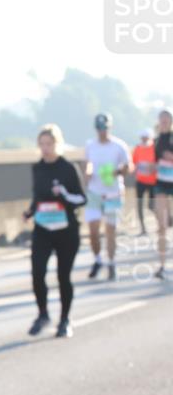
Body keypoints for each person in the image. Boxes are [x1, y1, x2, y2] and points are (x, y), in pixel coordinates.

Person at [23, 125, 85, 338]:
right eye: (42, 144)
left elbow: (81, 198)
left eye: (49, 144)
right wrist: (30, 212)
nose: (45, 148)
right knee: (37, 272)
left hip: (66, 229)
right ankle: (43, 314)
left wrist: (64, 194)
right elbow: (38, 197)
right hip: (43, 228)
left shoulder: (67, 168)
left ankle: (65, 319)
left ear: (57, 144)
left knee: (63, 276)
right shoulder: (37, 168)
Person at [83, 113, 131, 281]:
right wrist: (88, 173)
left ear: (109, 128)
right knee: (93, 231)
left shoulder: (119, 146)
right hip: (95, 192)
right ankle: (97, 260)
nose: (102, 131)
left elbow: (128, 167)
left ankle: (111, 262)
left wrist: (116, 172)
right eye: (99, 128)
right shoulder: (90, 145)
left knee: (110, 230)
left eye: (105, 128)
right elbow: (87, 164)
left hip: (113, 193)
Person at [153, 109, 173, 279]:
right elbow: (153, 161)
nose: (164, 122)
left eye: (166, 120)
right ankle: (162, 264)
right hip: (161, 184)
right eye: (161, 120)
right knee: (162, 226)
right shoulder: (157, 140)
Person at [131, 128, 157, 236]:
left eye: (146, 137)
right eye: (142, 137)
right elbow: (133, 163)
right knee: (139, 204)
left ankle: (164, 221)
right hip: (140, 181)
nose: (144, 139)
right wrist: (134, 170)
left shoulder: (154, 148)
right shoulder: (137, 148)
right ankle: (143, 228)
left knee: (152, 206)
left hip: (153, 181)